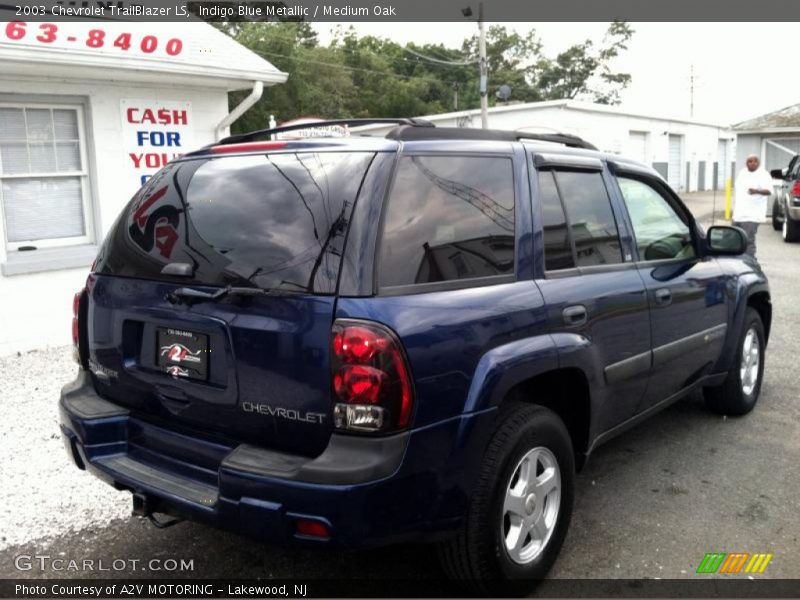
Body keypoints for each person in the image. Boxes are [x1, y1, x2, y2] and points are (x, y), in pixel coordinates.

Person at [732, 154, 773, 257]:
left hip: (752, 214)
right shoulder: (742, 173)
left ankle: (750, 261)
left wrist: (756, 191)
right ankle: (736, 261)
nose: (752, 163)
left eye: (755, 161)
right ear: (746, 163)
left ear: (758, 163)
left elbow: (769, 191)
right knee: (734, 239)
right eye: (750, 161)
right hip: (738, 213)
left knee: (748, 239)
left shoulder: (763, 174)